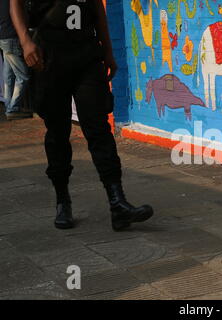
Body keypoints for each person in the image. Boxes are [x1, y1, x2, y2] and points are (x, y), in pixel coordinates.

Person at [9, 0, 153, 231]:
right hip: (49, 58)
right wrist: (25, 41)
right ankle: (62, 201)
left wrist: (108, 51)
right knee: (58, 131)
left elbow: (97, 9)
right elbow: (14, 3)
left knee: (98, 128)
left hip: (86, 56)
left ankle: (118, 203)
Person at [0, 0, 32, 120]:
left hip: (4, 37)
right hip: (12, 38)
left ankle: (10, 107)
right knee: (23, 76)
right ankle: (13, 108)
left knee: (9, 76)